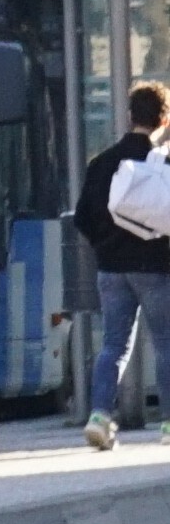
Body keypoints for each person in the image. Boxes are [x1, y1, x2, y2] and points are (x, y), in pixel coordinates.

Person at [75, 81, 170, 443]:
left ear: (130, 116)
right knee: (165, 343)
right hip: (156, 267)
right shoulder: (163, 165)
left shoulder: (102, 163)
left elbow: (83, 217)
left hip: (111, 269)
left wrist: (106, 246)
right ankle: (169, 424)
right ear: (164, 120)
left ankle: (99, 416)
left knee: (114, 345)